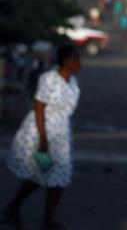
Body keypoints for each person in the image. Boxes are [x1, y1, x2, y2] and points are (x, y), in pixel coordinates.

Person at [2, 45, 82, 230]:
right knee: (40, 176)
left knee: (58, 179)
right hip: (43, 130)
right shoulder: (49, 79)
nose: (79, 62)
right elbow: (38, 108)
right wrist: (42, 139)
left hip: (61, 134)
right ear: (65, 61)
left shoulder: (72, 82)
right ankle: (13, 207)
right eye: (75, 58)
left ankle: (46, 220)